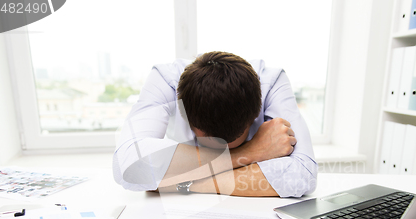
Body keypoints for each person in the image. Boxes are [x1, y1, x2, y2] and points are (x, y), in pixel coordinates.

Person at [113, 51, 317, 197]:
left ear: (256, 113)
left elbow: (303, 176)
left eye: (235, 142)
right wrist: (250, 152)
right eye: (213, 144)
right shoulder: (165, 81)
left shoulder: (271, 82)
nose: (223, 148)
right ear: (186, 117)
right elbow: (127, 166)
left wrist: (178, 182)